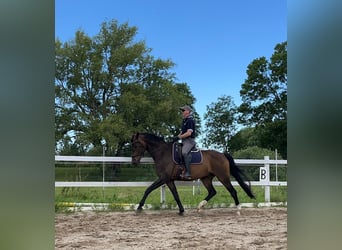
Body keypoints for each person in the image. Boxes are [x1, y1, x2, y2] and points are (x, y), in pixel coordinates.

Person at [175, 105, 196, 180]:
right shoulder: (185, 121)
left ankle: (188, 173)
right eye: (182, 111)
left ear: (188, 111)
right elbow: (182, 132)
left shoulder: (190, 121)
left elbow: (188, 133)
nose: (182, 112)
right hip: (184, 140)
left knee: (184, 152)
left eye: (183, 111)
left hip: (189, 141)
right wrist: (175, 138)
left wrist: (179, 137)